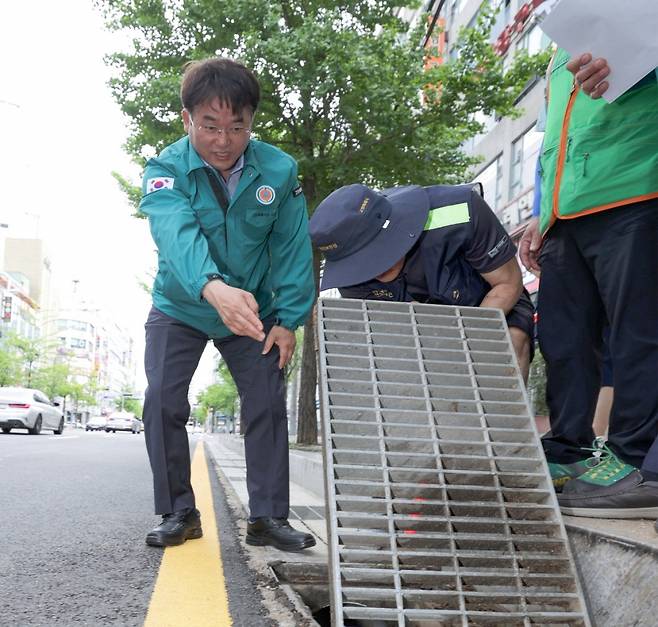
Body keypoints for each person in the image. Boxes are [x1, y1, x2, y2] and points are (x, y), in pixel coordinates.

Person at [140, 57, 316, 552]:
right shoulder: (164, 170)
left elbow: (292, 250)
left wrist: (287, 319)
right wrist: (211, 287)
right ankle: (179, 510)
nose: (223, 140)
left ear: (252, 123)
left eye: (237, 127)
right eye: (210, 126)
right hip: (182, 304)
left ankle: (268, 518)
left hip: (251, 310)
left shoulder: (279, 171)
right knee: (162, 401)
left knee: (265, 400)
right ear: (187, 120)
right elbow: (175, 236)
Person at [519, 50, 658, 518]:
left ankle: (634, 458)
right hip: (566, 207)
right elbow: (553, 136)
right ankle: (570, 447)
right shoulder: (564, 44)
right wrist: (543, 212)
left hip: (636, 184)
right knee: (563, 339)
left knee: (638, 332)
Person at [308, 183, 534, 381]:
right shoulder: (348, 273)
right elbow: (380, 341)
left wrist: (462, 339)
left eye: (375, 255)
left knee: (509, 346)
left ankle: (498, 428)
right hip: (412, 330)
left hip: (487, 303)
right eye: (361, 264)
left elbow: (507, 284)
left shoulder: (461, 210)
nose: (373, 270)